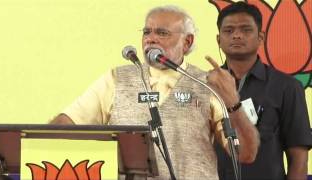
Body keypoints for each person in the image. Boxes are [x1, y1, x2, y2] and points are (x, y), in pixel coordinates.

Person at [51, 5, 259, 179]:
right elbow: (66, 124)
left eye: (162, 33)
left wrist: (232, 101)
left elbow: (245, 154)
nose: (150, 39)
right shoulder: (116, 79)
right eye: (146, 32)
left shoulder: (206, 83)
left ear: (187, 42)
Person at [210, 2, 312, 180]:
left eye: (246, 30)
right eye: (229, 30)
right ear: (218, 40)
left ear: (261, 37)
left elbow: (299, 159)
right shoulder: (204, 85)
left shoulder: (287, 87)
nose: (237, 35)